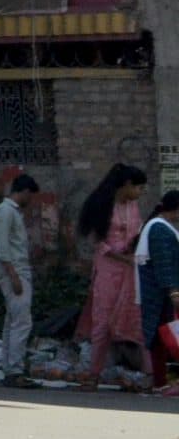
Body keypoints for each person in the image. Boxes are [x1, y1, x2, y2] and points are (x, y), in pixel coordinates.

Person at [74, 164, 148, 391]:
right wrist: (120, 256)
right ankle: (93, 375)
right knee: (102, 323)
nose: (140, 192)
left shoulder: (133, 205)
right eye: (138, 187)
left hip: (131, 267)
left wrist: (135, 252)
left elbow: (137, 232)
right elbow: (98, 242)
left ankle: (150, 376)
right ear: (126, 185)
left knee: (137, 319)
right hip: (108, 269)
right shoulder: (102, 204)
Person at [0, 174, 39, 386]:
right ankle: (15, 370)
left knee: (13, 321)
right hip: (14, 272)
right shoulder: (6, 212)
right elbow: (1, 247)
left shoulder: (8, 212)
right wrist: (14, 276)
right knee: (22, 322)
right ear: (25, 192)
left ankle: (10, 368)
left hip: (16, 271)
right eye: (31, 195)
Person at [138, 191, 179, 393]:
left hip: (160, 291)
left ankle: (161, 382)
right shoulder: (159, 230)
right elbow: (164, 264)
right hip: (161, 293)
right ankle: (161, 382)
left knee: (160, 336)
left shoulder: (159, 226)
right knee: (161, 336)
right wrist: (173, 292)